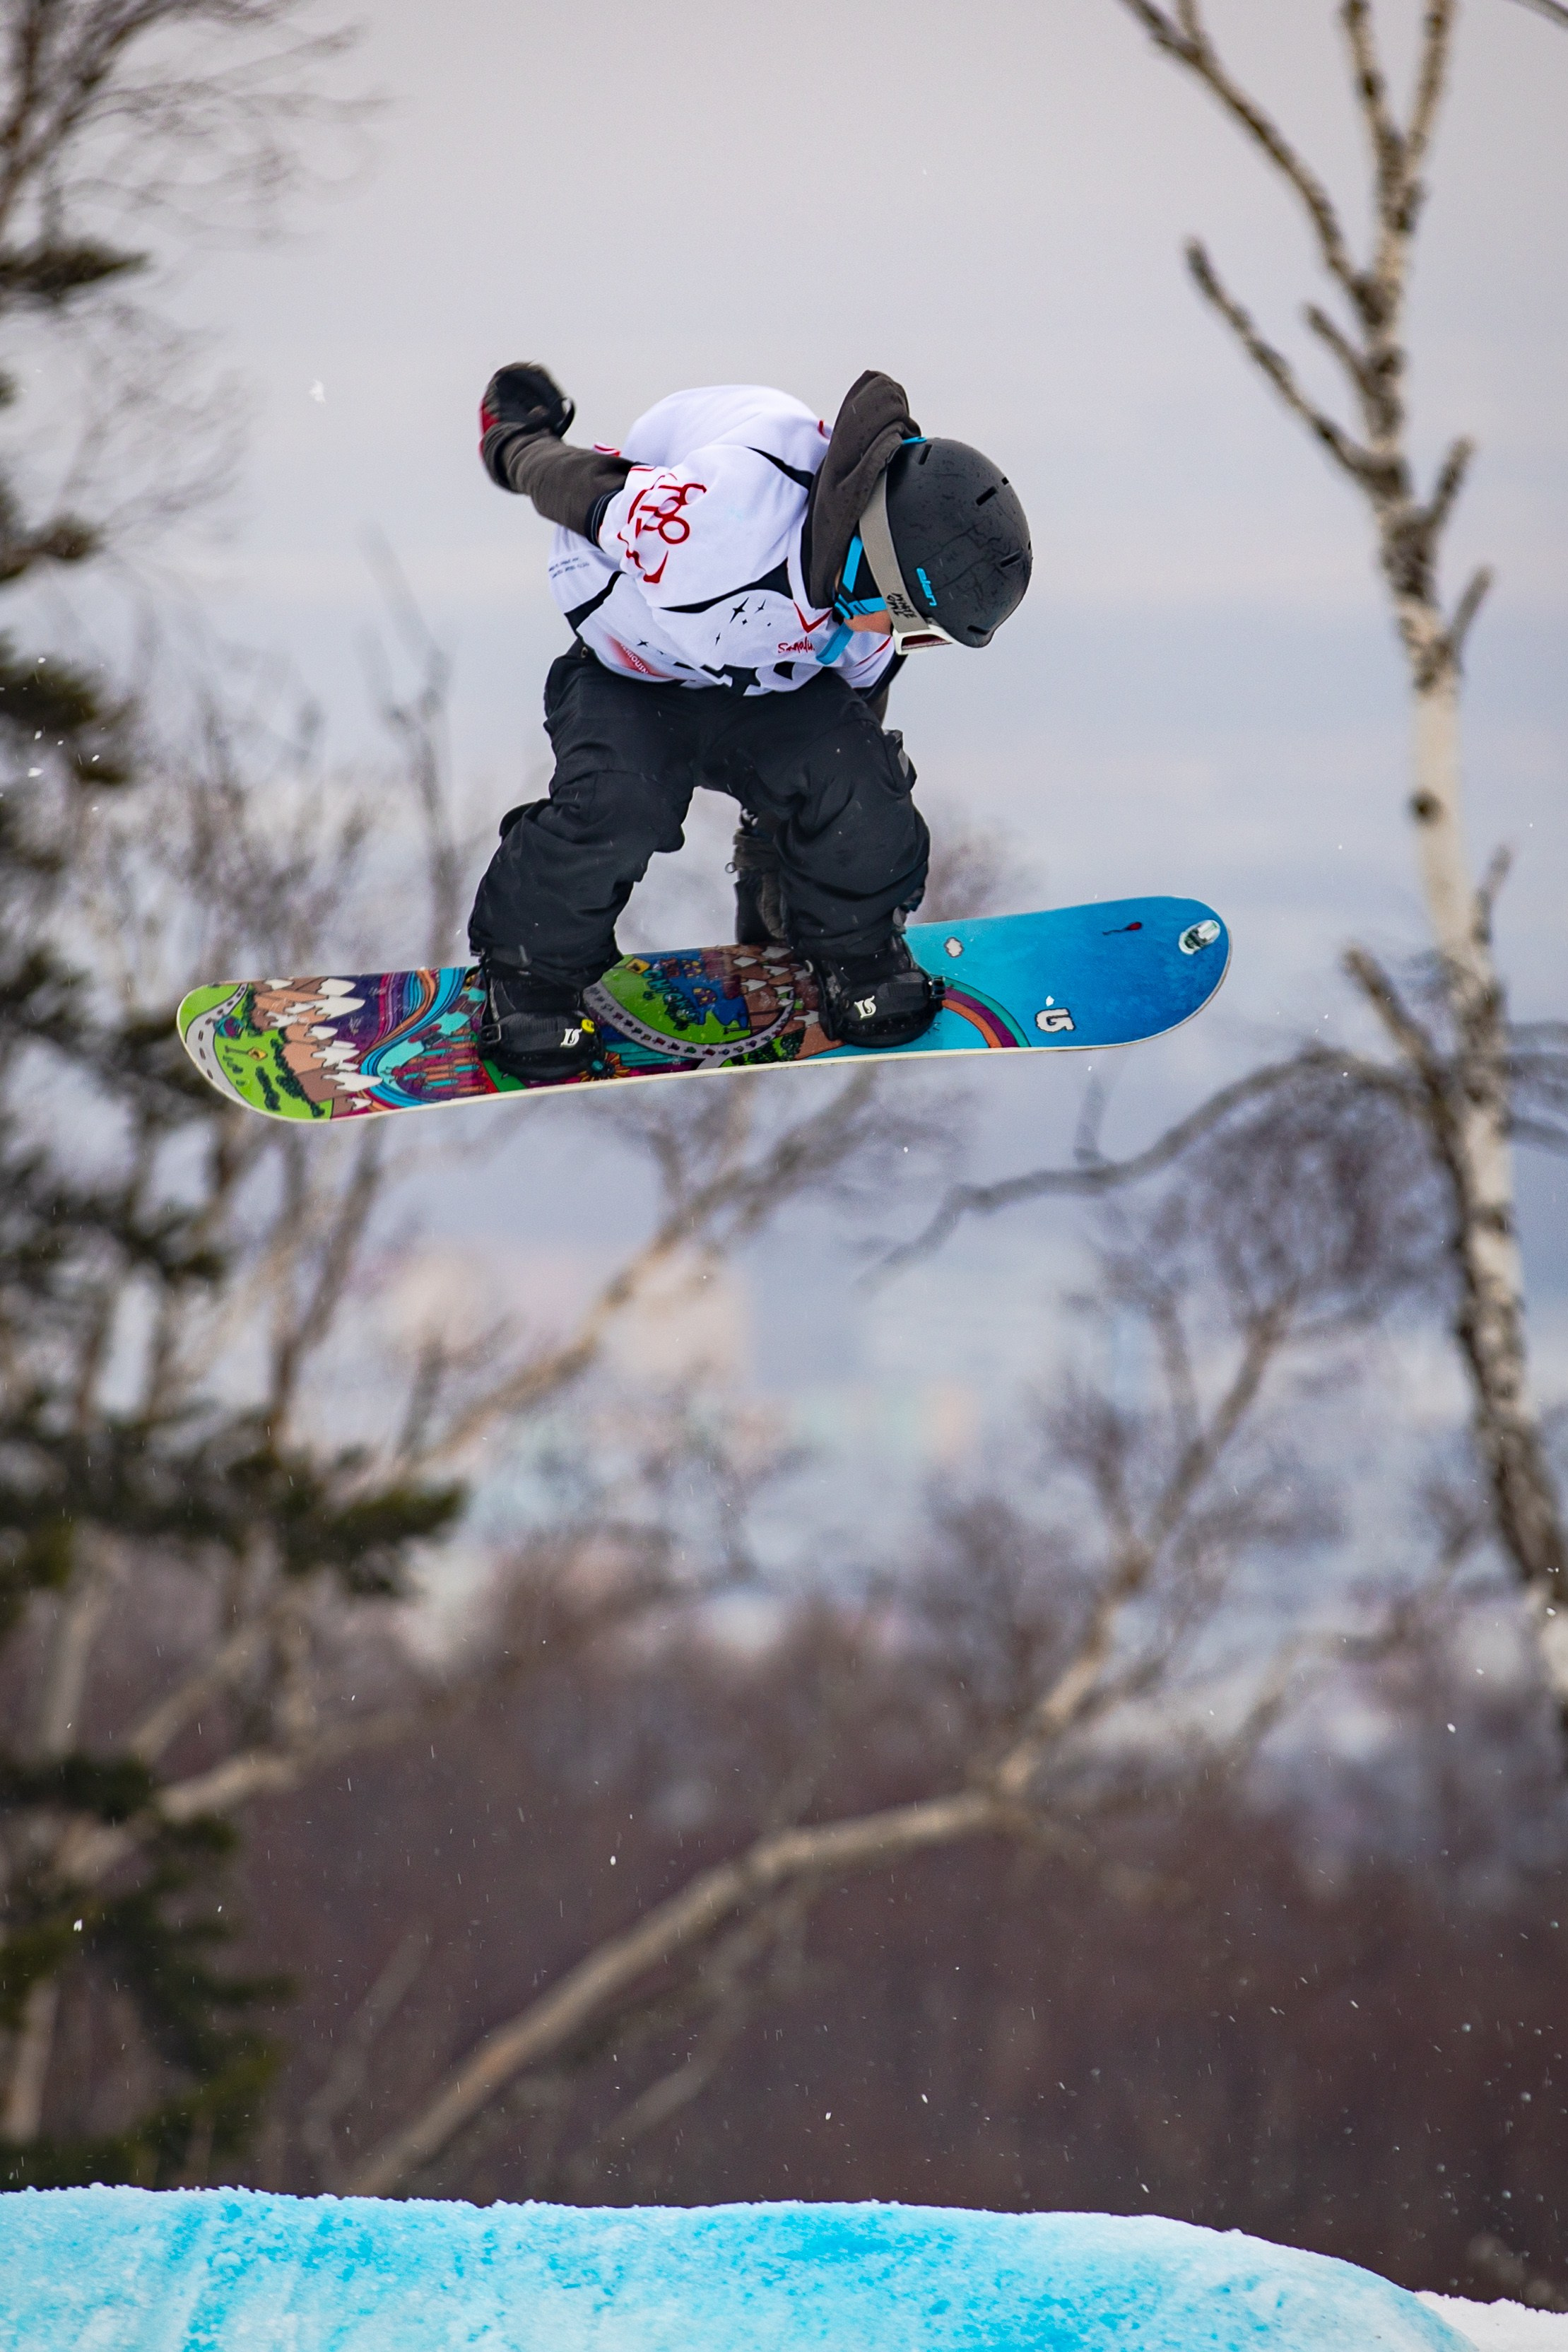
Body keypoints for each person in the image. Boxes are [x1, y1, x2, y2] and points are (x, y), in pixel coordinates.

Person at [467, 365, 1032, 1079]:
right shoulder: (716, 522)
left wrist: (783, 867)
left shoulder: (860, 623)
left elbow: (852, 741)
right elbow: (580, 488)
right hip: (632, 673)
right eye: (910, 620)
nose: (897, 638)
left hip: (764, 686)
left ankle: (852, 954)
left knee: (864, 788)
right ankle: (530, 973)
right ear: (869, 564)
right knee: (619, 805)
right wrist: (517, 442)